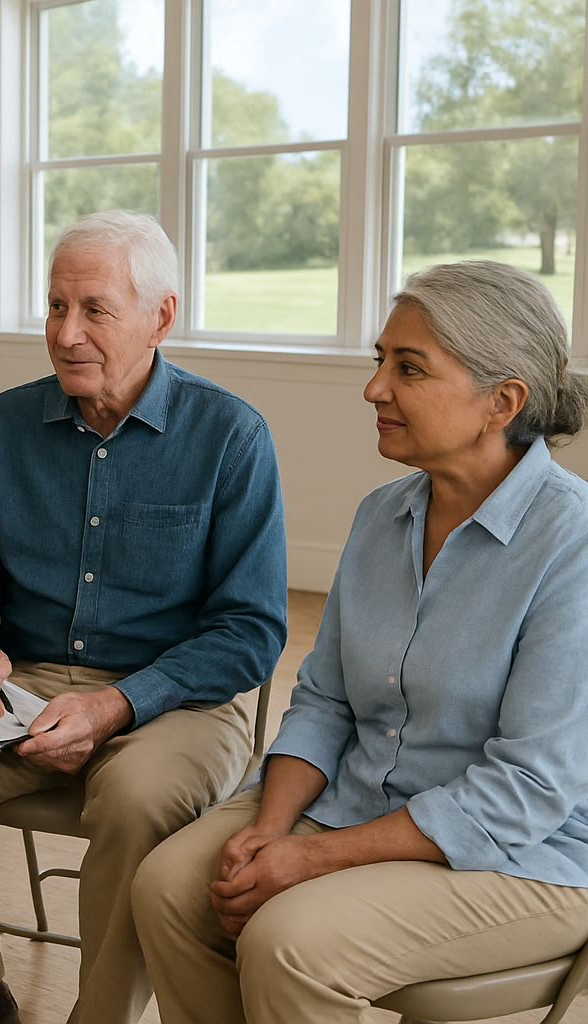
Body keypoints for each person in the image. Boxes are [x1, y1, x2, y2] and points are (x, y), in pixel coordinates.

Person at [131, 260, 588, 1024]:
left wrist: (307, 859)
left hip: (525, 855)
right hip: (356, 802)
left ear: (502, 401)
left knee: (287, 941)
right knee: (170, 887)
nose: (375, 388)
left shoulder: (572, 544)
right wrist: (270, 831)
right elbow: (325, 700)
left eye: (409, 369)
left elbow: (528, 790)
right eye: (380, 361)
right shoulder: (382, 515)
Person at [0, 209, 288, 1024]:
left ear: (161, 317)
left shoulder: (231, 436)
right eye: (56, 306)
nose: (66, 333)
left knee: (136, 796)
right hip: (23, 689)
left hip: (179, 704)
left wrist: (116, 705)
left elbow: (249, 631)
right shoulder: (1, 425)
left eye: (94, 308)